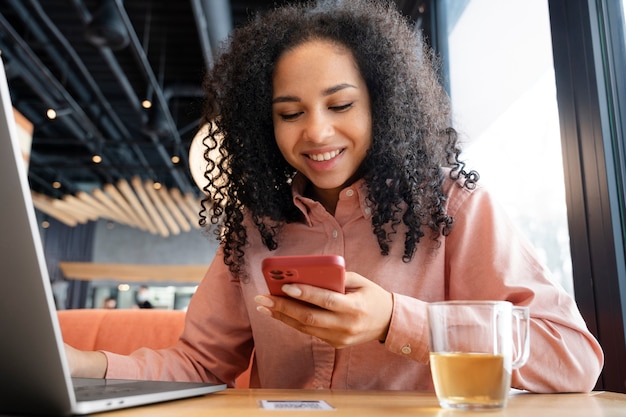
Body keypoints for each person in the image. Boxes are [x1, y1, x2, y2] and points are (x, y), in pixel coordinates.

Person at [66, 0, 603, 391]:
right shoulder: (255, 228)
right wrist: (79, 364)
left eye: (341, 105)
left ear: (382, 107)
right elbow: (199, 365)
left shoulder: (452, 205)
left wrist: (396, 320)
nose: (317, 133)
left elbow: (573, 358)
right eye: (290, 114)